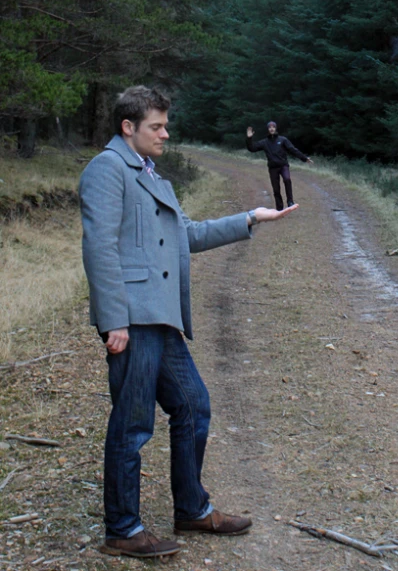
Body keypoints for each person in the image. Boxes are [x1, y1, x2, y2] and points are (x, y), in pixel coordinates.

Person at [79, 86, 298, 560]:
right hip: (133, 320)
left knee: (194, 406)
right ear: (128, 127)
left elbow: (187, 235)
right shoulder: (107, 169)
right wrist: (113, 320)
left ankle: (192, 509)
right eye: (157, 126)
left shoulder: (152, 175)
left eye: (165, 124)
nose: (165, 133)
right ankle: (123, 528)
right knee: (133, 425)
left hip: (162, 319)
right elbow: (98, 250)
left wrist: (251, 218)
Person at [246, 122, 313, 210]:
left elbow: (293, 150)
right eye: (270, 127)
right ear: (268, 129)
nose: (272, 128)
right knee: (276, 189)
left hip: (283, 165)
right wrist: (249, 138)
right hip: (273, 168)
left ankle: (290, 201)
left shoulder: (282, 140)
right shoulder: (264, 142)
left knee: (287, 179)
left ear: (276, 128)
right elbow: (252, 148)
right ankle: (279, 208)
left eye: (273, 127)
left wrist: (304, 158)